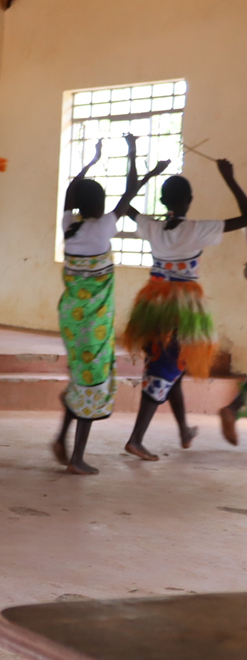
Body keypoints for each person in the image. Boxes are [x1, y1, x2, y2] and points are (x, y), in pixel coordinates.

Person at [52, 135, 166, 474]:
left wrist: (91, 162)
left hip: (71, 318)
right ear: (101, 206)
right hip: (94, 322)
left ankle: (62, 439)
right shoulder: (103, 226)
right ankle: (76, 458)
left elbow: (73, 189)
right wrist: (132, 152)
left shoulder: (69, 225)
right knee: (92, 383)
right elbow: (129, 192)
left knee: (83, 380)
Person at [120, 157, 247, 460]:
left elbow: (125, 207)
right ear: (190, 201)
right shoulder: (197, 230)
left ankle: (183, 431)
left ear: (163, 201)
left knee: (170, 365)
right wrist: (229, 178)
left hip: (153, 305)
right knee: (167, 367)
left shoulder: (152, 227)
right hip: (184, 310)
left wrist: (144, 171)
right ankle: (136, 439)